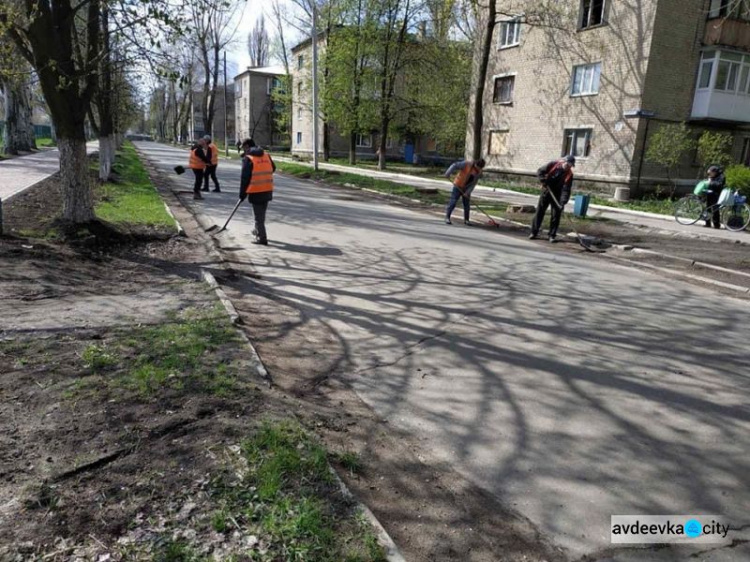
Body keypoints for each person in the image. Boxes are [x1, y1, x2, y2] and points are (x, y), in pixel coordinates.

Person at [239, 138, 276, 245]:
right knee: (261, 215)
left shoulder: (249, 158)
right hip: (267, 189)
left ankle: (262, 238)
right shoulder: (266, 155)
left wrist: (242, 194)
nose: (243, 151)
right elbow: (273, 168)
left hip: (256, 191)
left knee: (258, 217)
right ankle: (257, 231)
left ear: (247, 147)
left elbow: (244, 178)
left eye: (243, 148)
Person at [530, 155, 575, 243]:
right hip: (546, 191)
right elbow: (540, 171)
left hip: (557, 195)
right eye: (568, 164)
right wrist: (543, 181)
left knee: (556, 216)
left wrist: (562, 202)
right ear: (564, 161)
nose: (568, 167)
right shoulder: (553, 164)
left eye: (570, 165)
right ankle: (534, 232)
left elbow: (566, 189)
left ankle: (552, 235)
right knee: (540, 212)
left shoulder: (569, 174)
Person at [443, 158, 486, 225]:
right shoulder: (466, 164)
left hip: (466, 188)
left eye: (480, 168)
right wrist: (448, 173)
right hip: (458, 185)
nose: (478, 169)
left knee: (466, 205)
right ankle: (447, 217)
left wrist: (467, 192)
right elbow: (454, 165)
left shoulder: (478, 173)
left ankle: (466, 220)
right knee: (453, 202)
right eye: (477, 167)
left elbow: (473, 184)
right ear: (475, 164)